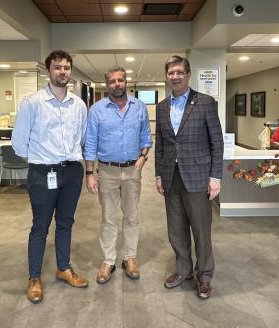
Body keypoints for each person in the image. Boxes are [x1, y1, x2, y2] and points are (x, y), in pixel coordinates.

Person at [12, 50, 88, 304]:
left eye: (66, 67)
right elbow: (19, 143)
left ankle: (63, 268)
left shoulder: (78, 104)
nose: (63, 72)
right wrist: (41, 160)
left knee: (66, 222)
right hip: (43, 172)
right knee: (40, 226)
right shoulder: (32, 103)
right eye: (57, 67)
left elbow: (83, 138)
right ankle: (34, 277)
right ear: (48, 71)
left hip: (71, 172)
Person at [155, 55, 223, 300]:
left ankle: (204, 275)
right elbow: (161, 145)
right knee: (176, 229)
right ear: (167, 76)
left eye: (179, 72)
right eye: (171, 73)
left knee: (201, 229)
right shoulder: (162, 107)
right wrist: (158, 175)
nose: (175, 76)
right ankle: (183, 270)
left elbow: (217, 142)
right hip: (171, 177)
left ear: (188, 74)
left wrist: (215, 176)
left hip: (197, 176)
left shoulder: (205, 102)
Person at [84, 66, 152, 284]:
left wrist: (143, 157)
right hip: (106, 171)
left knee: (132, 216)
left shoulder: (139, 107)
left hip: (133, 170)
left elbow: (146, 136)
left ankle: (130, 257)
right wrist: (89, 173)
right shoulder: (96, 110)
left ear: (126, 82)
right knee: (108, 218)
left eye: (120, 80)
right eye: (112, 81)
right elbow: (90, 143)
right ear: (107, 84)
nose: (117, 84)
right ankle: (108, 260)